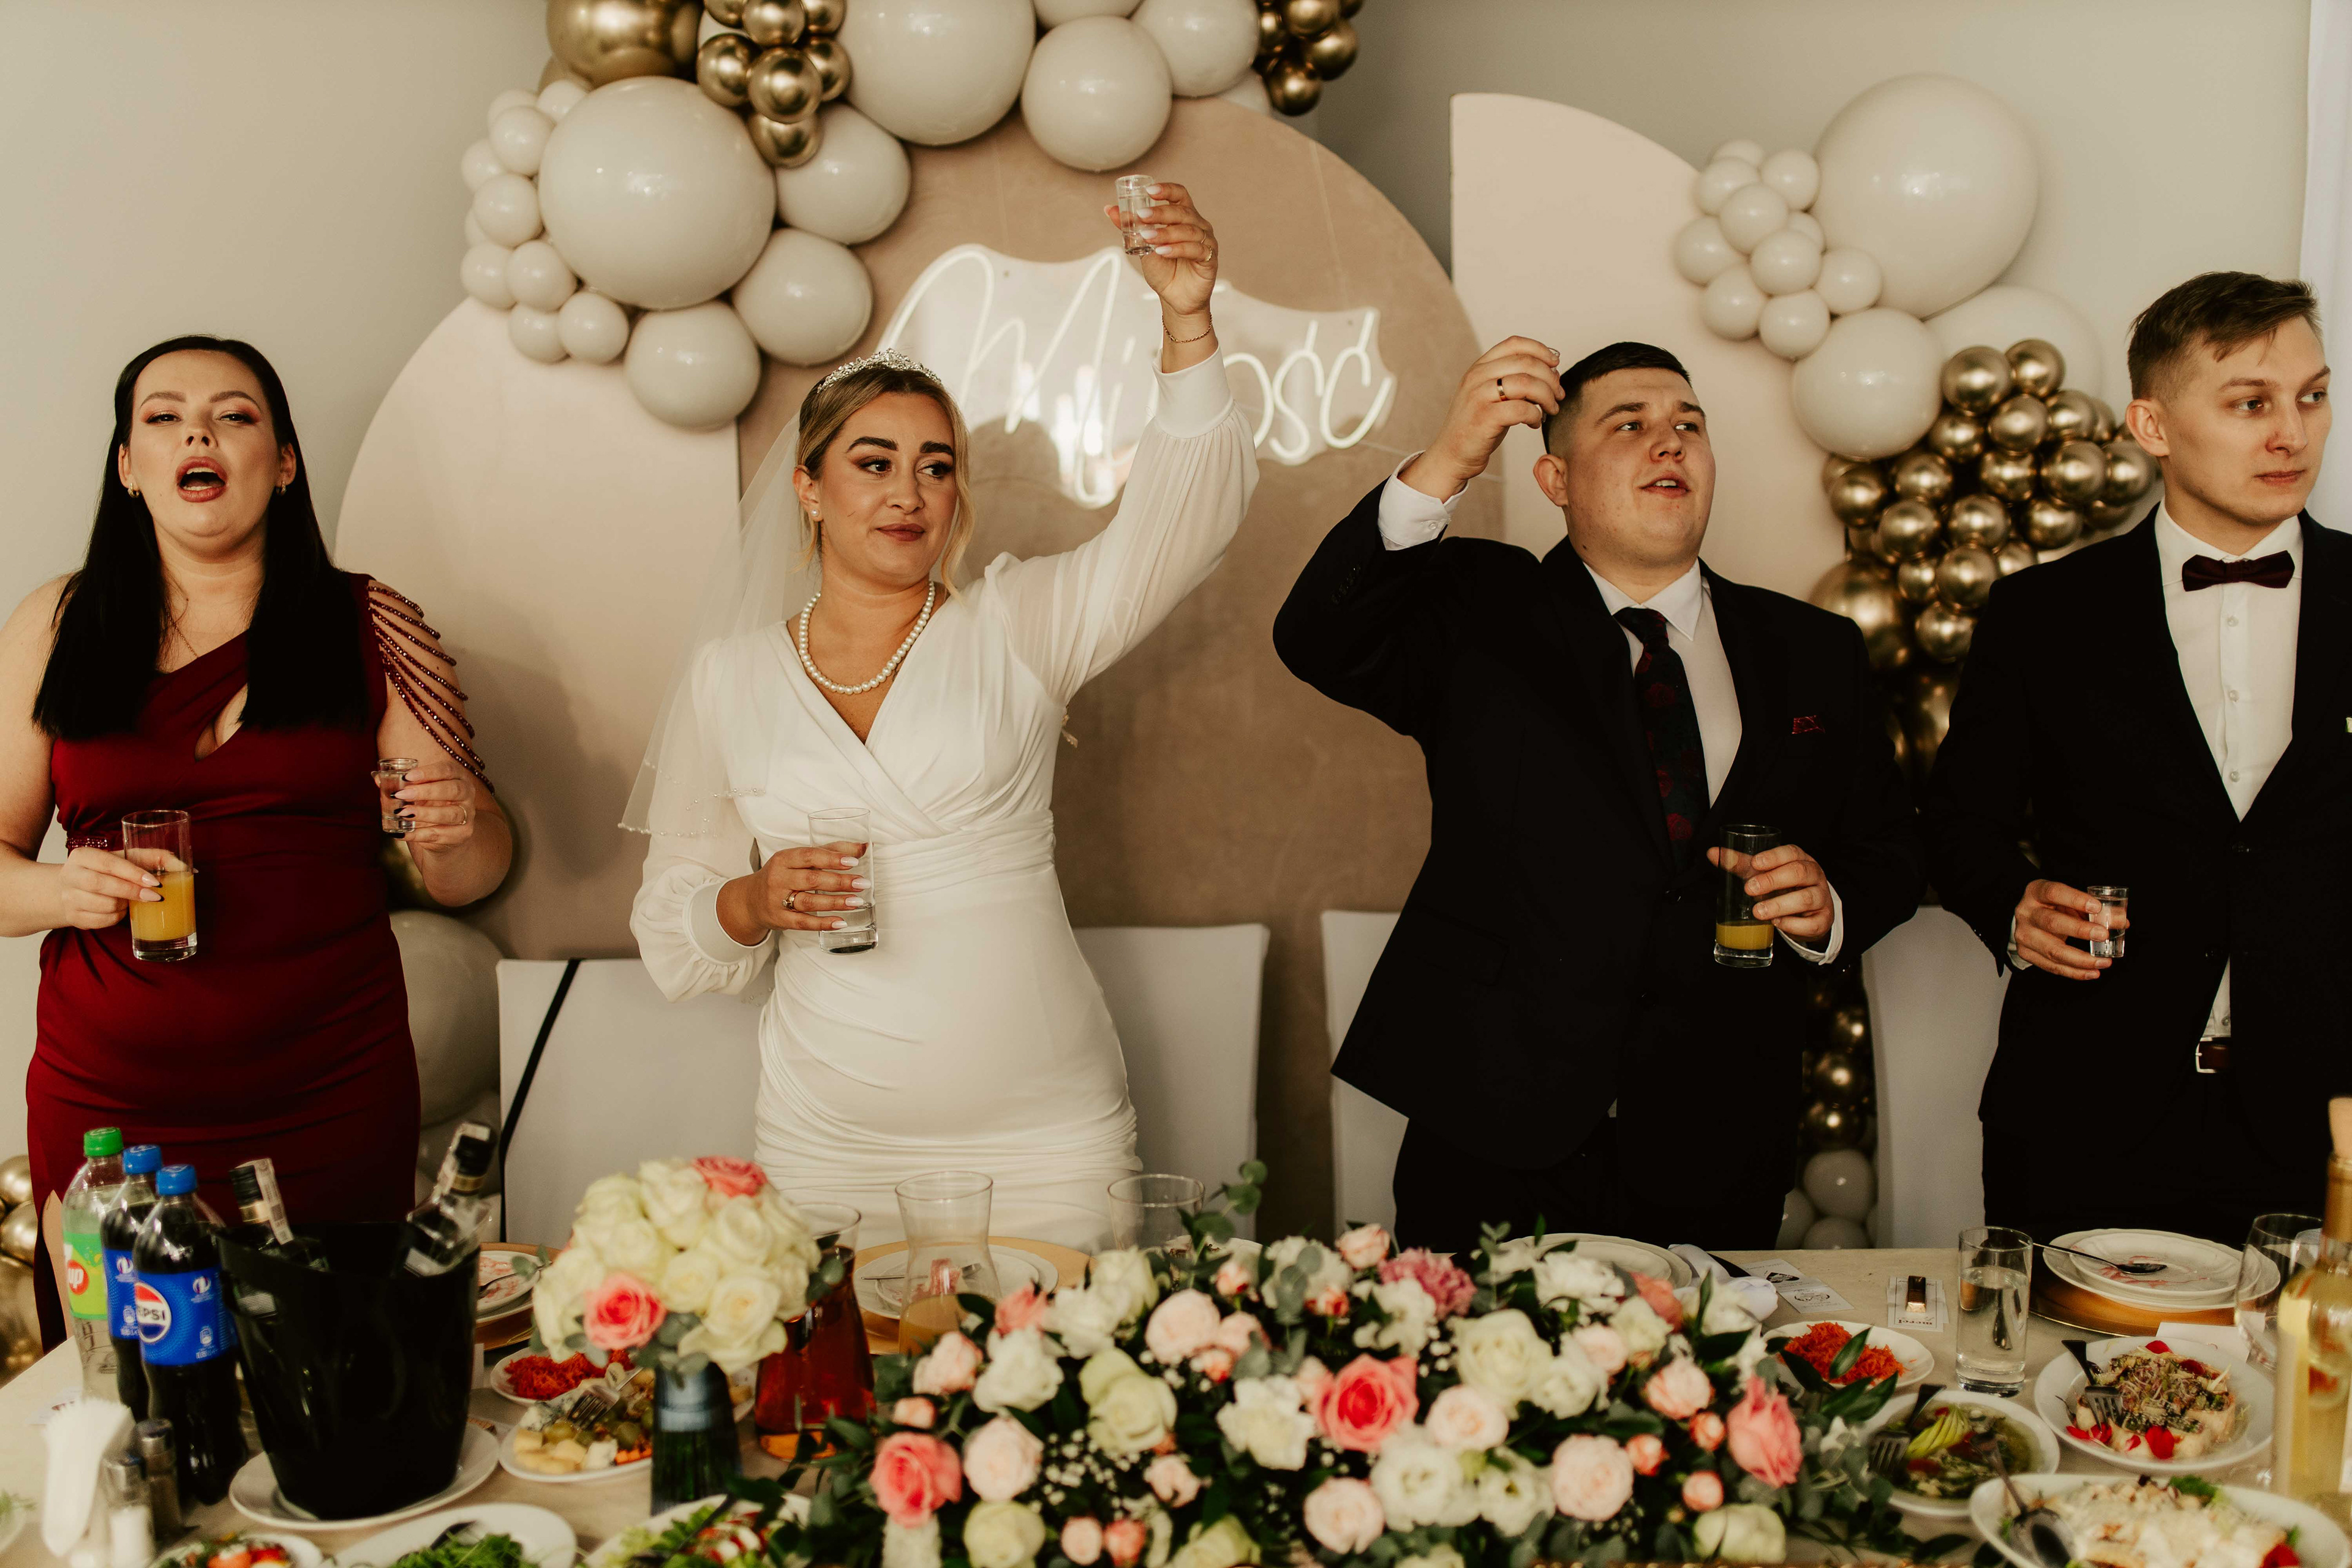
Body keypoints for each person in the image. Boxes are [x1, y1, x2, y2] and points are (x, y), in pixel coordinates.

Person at [629, 183, 1256, 1249]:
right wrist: (753, 898)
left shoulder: (1021, 625)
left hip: (1046, 1140)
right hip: (828, 1148)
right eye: (873, 464)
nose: (908, 493)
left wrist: (1187, 321)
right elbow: (673, 929)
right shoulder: (729, 678)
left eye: (936, 467)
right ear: (809, 489)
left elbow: (1185, 523)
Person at [1274, 337, 1922, 1252]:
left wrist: (1829, 906)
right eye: (1629, 425)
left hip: (1718, 1132)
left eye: (1689, 424)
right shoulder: (1476, 609)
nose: (1670, 441)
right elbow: (1317, 635)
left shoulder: (1813, 648)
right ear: (1556, 480)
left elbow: (1891, 848)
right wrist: (1451, 458)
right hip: (1494, 1121)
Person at [0, 335, 511, 1346]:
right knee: (130, 1387)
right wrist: (64, 891)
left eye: (234, 415)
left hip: (330, 1091)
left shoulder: (373, 622)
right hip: (113, 1111)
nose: (198, 433)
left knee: (336, 1379)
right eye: (164, 417)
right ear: (128, 467)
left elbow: (471, 871)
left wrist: (456, 829)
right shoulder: (57, 624)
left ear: (282, 463)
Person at [1924, 272, 2346, 1243]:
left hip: (2326, 1126)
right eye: (2251, 404)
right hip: (2085, 1116)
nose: (2293, 434)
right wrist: (2012, 904)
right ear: (2152, 426)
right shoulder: (2042, 615)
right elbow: (1956, 822)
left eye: (2313, 396)